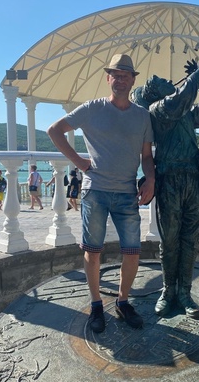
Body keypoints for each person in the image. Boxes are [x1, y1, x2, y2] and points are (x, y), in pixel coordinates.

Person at [47, 53, 155, 333]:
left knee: (132, 252)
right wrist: (79, 162)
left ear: (133, 80)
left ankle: (123, 301)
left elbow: (146, 156)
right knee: (92, 251)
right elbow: (55, 131)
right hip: (95, 191)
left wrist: (151, 179)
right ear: (108, 79)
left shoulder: (142, 116)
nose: (120, 80)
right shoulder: (91, 109)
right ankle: (96, 304)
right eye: (115, 75)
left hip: (127, 193)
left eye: (125, 75)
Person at [132, 53, 199, 319]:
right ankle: (168, 290)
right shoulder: (158, 111)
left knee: (190, 241)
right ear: (153, 92)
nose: (167, 80)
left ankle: (185, 292)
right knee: (170, 241)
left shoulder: (185, 114)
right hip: (170, 181)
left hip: (193, 180)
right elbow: (182, 98)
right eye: (159, 80)